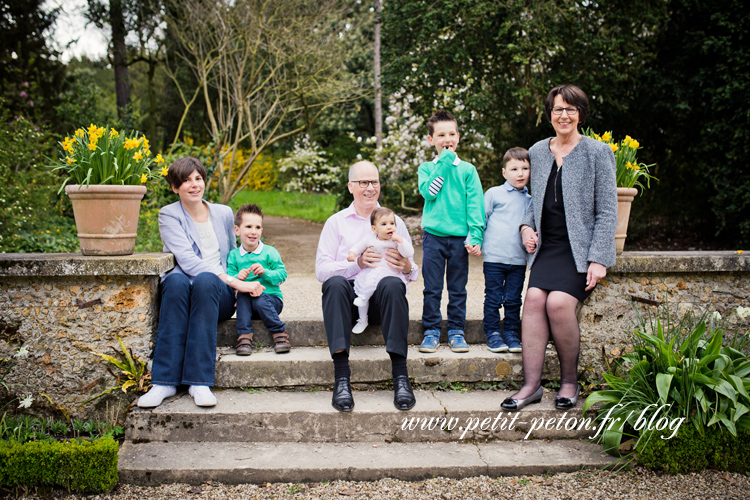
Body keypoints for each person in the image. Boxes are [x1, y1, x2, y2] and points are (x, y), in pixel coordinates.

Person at [501, 84, 617, 412]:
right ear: (550, 115)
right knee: (535, 299)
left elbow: (608, 209)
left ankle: (569, 382)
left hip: (579, 249)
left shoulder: (597, 152)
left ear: (580, 113)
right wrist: (526, 225)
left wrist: (598, 258)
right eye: (558, 109)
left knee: (559, 304)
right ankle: (530, 386)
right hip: (548, 247)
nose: (563, 115)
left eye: (570, 109)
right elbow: (533, 200)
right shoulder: (537, 151)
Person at [137, 157, 264, 408]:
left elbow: (233, 254)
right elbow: (187, 260)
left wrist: (245, 274)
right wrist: (236, 282)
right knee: (174, 282)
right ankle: (163, 382)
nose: (194, 185)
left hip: (218, 294)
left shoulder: (223, 213)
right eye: (185, 181)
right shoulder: (168, 214)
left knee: (206, 280)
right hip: (183, 290)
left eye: (198, 179)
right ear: (175, 188)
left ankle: (199, 382)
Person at [315, 161, 419, 412]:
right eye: (364, 182)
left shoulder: (393, 220)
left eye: (375, 182)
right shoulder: (336, 223)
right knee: (335, 283)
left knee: (394, 283)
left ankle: (400, 376)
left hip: (382, 301)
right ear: (351, 186)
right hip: (349, 303)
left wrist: (407, 267)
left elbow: (413, 269)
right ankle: (341, 378)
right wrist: (358, 264)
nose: (370, 188)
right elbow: (321, 270)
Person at [417, 109, 484, 354]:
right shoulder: (426, 168)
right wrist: (444, 162)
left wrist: (475, 235)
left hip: (459, 240)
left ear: (458, 136)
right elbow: (430, 192)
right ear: (431, 140)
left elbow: (475, 205)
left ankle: (456, 331)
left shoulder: (467, 170)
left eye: (452, 134)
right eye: (441, 134)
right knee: (432, 288)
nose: (448, 139)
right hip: (433, 238)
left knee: (457, 288)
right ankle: (431, 331)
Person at [482, 147, 532, 354]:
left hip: (518, 260)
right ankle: (493, 333)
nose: (520, 173)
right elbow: (480, 219)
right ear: (504, 172)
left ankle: (511, 333)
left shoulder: (532, 200)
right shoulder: (494, 194)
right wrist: (473, 241)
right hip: (494, 258)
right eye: (514, 169)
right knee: (493, 297)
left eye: (525, 168)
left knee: (513, 299)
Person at [227, 203, 290, 356]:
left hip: (271, 301)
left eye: (257, 227)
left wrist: (266, 273)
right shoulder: (234, 256)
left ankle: (280, 334)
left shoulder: (269, 252)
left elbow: (282, 276)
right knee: (243, 295)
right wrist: (237, 278)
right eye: (248, 226)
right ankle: (244, 338)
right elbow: (228, 278)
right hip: (246, 307)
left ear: (261, 230)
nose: (253, 232)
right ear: (237, 230)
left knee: (260, 299)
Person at [347, 207, 415, 334]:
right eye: (384, 224)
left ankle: (364, 299)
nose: (389, 227)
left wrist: (400, 241)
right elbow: (359, 246)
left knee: (367, 294)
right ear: (374, 229)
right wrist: (353, 253)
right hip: (373, 272)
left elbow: (409, 252)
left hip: (389, 273)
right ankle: (362, 319)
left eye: (392, 223)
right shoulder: (370, 239)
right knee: (363, 291)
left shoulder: (395, 241)